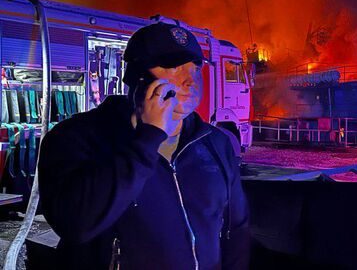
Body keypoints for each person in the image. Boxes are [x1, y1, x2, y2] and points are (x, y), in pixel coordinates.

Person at [38, 22, 251, 269]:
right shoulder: (76, 137)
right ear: (137, 77)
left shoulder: (215, 142)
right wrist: (148, 138)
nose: (190, 80)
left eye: (195, 68)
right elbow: (75, 224)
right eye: (174, 67)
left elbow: (237, 228)